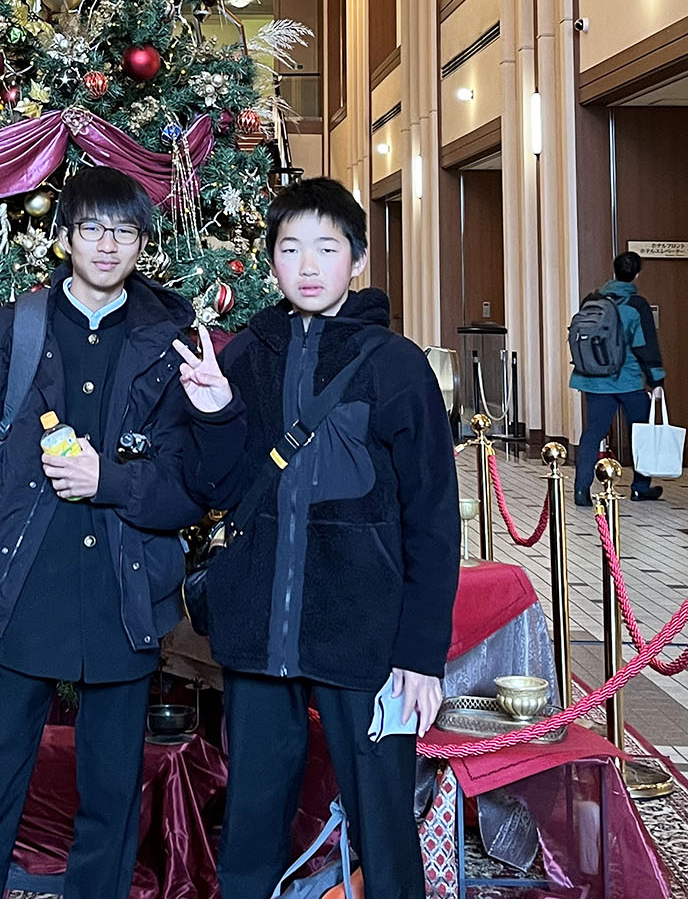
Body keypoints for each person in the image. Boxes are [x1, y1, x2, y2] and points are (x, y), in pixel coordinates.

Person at [0, 165, 237, 899]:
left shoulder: (170, 344)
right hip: (22, 591)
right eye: (91, 228)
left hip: (123, 596)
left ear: (143, 243)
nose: (107, 244)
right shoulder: (10, 335)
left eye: (124, 231)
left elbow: (191, 489)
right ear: (64, 237)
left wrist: (111, 483)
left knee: (111, 797)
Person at [175, 176, 460, 899]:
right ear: (270, 259)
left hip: (363, 633)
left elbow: (433, 516)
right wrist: (214, 412)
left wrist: (420, 654)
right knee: (251, 821)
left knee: (383, 823)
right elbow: (216, 489)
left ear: (357, 260)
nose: (307, 265)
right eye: (290, 248)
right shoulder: (245, 356)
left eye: (327, 249)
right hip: (257, 628)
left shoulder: (395, 365)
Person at [572, 250, 666, 507]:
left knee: (593, 432)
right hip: (628, 380)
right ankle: (640, 487)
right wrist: (657, 381)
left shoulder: (592, 299)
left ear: (614, 271)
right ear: (637, 274)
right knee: (640, 432)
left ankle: (581, 489)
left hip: (594, 379)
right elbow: (646, 346)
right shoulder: (637, 305)